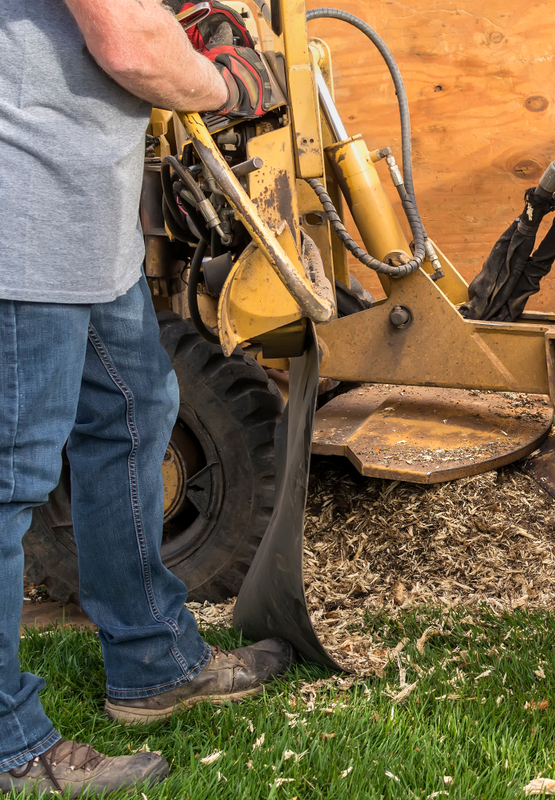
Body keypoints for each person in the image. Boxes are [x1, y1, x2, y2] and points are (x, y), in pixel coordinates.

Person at [0, 0, 290, 794]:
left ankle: (153, 664)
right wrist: (227, 83)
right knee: (9, 477)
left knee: (133, 414)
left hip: (83, 222)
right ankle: (10, 745)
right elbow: (128, 43)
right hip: (23, 218)